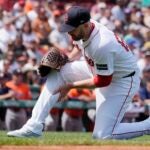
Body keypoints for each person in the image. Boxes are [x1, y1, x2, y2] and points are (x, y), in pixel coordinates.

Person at [7, 6, 150, 139]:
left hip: (121, 80)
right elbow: (78, 45)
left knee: (102, 136)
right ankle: (33, 127)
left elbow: (103, 81)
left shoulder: (102, 44)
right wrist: (68, 58)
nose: (69, 32)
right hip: (97, 69)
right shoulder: (84, 27)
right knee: (58, 71)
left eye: (72, 29)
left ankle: (147, 125)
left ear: (86, 25)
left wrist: (70, 85)